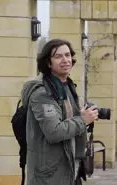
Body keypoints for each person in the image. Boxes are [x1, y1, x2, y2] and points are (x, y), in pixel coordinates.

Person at [21, 39, 99, 185]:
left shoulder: (67, 86)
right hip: (49, 175)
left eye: (68, 55)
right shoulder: (42, 93)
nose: (65, 60)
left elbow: (69, 120)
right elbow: (54, 132)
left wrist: (83, 116)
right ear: (48, 63)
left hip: (70, 168)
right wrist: (83, 120)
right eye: (58, 56)